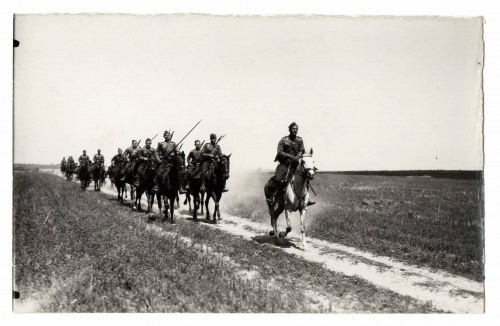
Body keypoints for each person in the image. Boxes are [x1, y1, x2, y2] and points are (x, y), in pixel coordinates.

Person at [266, 122, 315, 206]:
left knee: (306, 176)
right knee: (278, 178)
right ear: (289, 129)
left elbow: (301, 150)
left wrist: (298, 155)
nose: (295, 130)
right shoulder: (284, 140)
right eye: (293, 129)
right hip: (285, 164)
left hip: (296, 164)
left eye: (296, 129)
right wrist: (291, 157)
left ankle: (306, 199)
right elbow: (280, 152)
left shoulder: (299, 140)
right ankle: (273, 197)